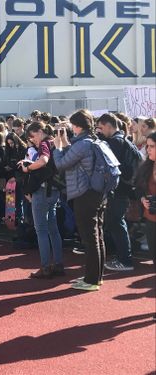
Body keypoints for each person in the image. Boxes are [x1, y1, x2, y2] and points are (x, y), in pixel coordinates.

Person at [53, 109, 106, 291]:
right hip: (98, 192)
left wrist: (57, 147)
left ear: (77, 126)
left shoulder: (82, 144)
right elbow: (74, 156)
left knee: (90, 239)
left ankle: (91, 280)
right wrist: (65, 144)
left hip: (84, 194)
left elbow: (61, 164)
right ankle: (96, 277)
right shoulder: (92, 140)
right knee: (97, 236)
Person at [18, 122, 63, 279]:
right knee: (53, 229)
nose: (32, 139)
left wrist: (28, 168)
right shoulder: (56, 141)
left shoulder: (45, 144)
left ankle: (45, 267)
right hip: (55, 189)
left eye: (33, 135)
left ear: (41, 131)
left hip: (43, 190)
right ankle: (58, 264)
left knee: (41, 230)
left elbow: (43, 160)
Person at [96, 113, 137, 271]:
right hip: (123, 188)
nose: (99, 130)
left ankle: (125, 260)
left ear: (108, 125)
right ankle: (123, 257)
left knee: (116, 222)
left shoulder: (115, 142)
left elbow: (110, 166)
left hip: (119, 189)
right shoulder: (123, 140)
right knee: (116, 222)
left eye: (100, 127)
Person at [135, 132, 156, 264]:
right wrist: (143, 199)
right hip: (151, 218)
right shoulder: (146, 166)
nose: (147, 149)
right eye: (147, 146)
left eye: (152, 146)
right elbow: (138, 189)